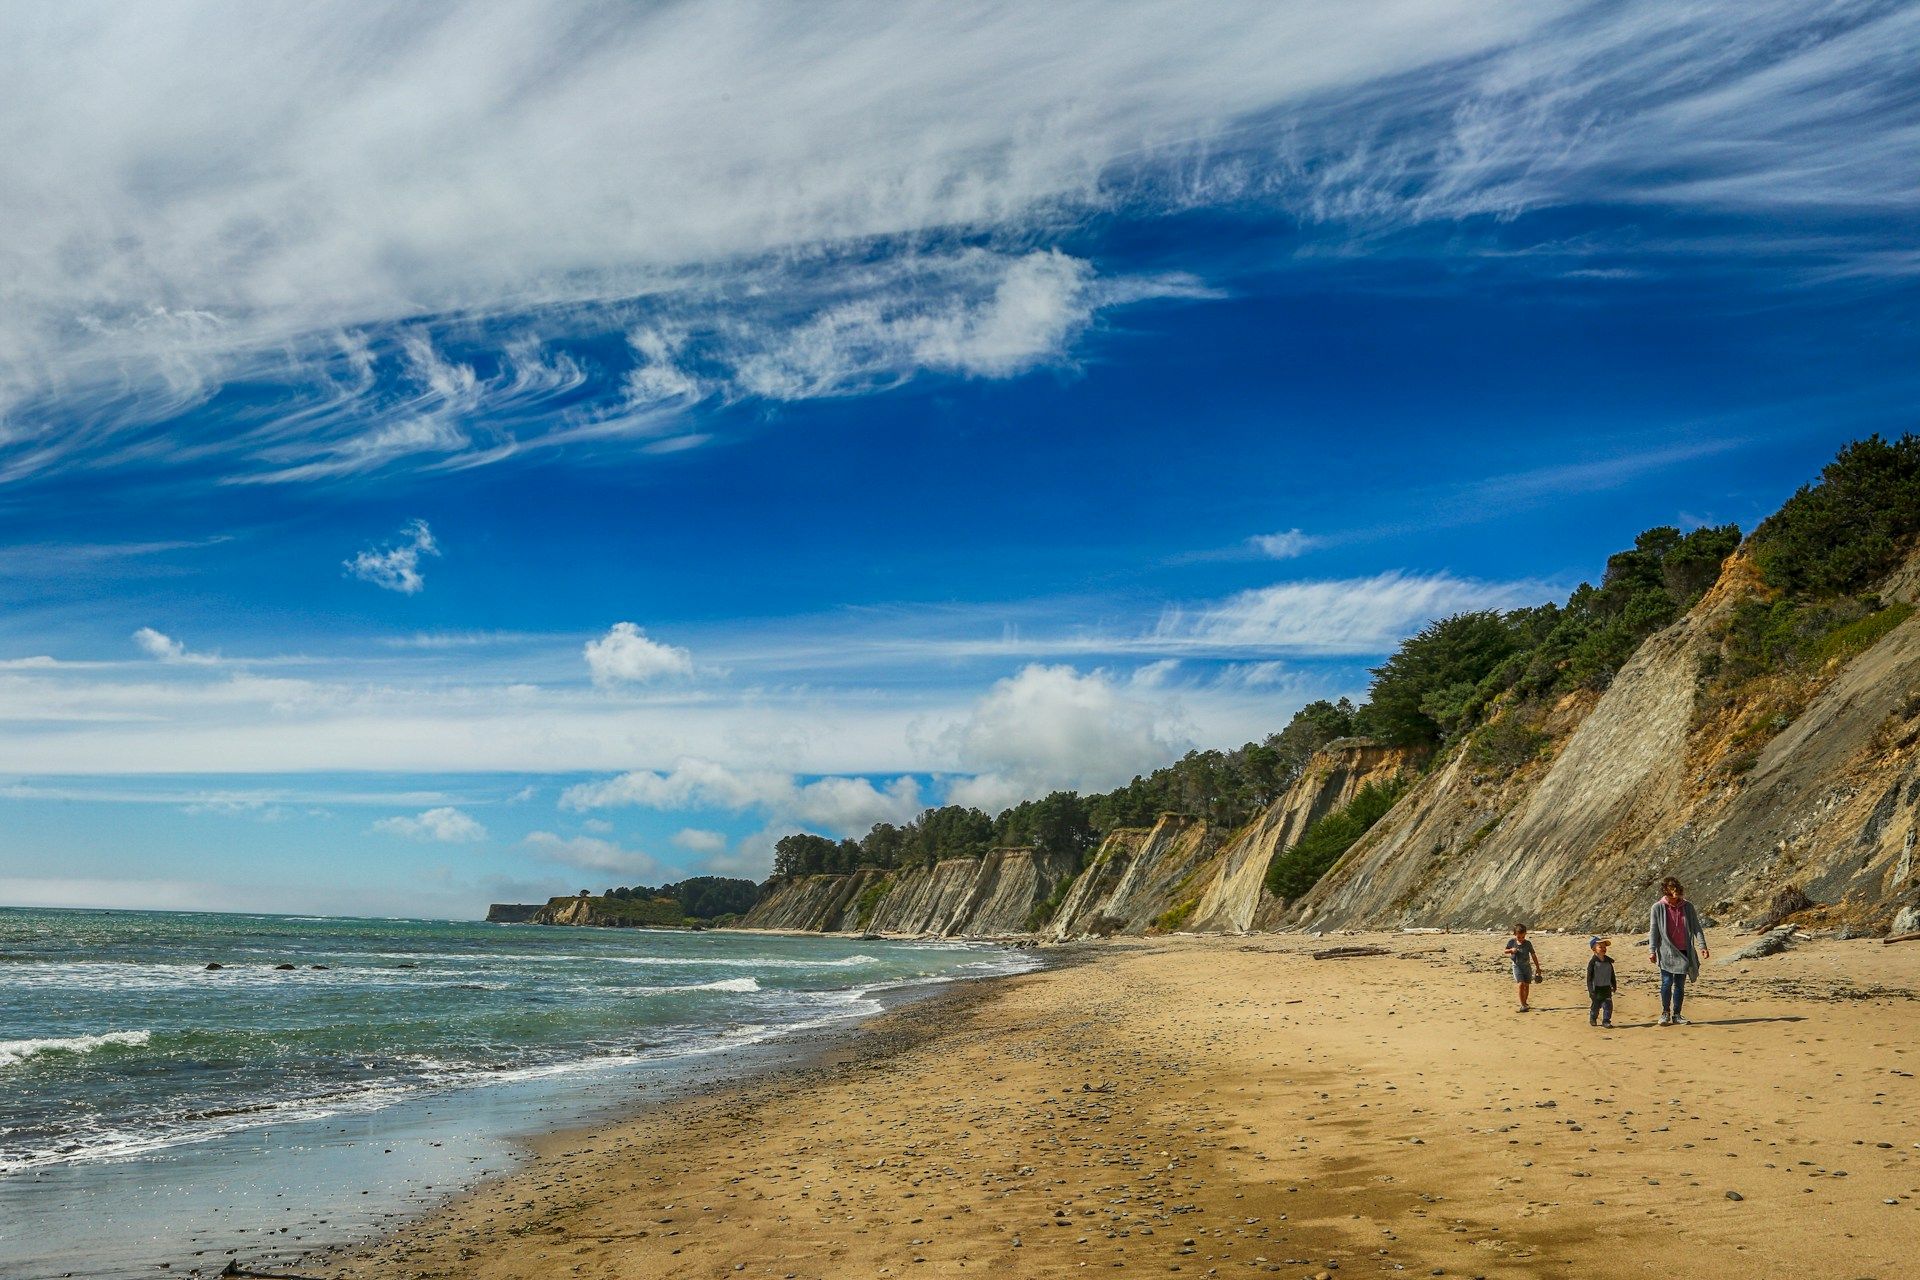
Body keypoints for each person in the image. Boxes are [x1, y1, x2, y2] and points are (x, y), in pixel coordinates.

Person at [1648, 876, 1709, 1025]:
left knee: (1680, 985)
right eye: (1671, 891)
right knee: (1667, 982)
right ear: (1666, 891)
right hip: (1666, 951)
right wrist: (1652, 950)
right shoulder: (1658, 907)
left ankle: (1677, 1014)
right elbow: (1654, 930)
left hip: (1684, 951)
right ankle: (1665, 1013)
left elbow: (1696, 927)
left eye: (1677, 891)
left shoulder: (1688, 907)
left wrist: (1702, 946)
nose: (1675, 894)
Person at [1504, 923, 1542, 1012]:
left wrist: (1538, 967)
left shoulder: (1528, 943)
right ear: (1515, 934)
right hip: (1517, 966)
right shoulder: (1511, 942)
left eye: (1523, 937)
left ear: (1525, 934)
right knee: (1521, 984)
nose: (1521, 939)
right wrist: (1511, 950)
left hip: (1527, 967)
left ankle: (1525, 1003)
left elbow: (1533, 955)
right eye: (1519, 937)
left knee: (1527, 985)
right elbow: (1505, 951)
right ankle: (1523, 1005)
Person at [1585, 936, 1616, 1027]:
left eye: (1604, 947)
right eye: (1600, 947)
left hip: (1606, 987)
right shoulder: (1593, 963)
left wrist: (1614, 984)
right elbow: (1589, 978)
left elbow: (1612, 974)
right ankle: (1593, 1017)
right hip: (1596, 988)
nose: (1603, 949)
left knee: (1608, 1005)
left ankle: (1606, 1021)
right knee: (1596, 1005)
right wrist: (1591, 990)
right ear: (1594, 949)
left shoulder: (1608, 961)